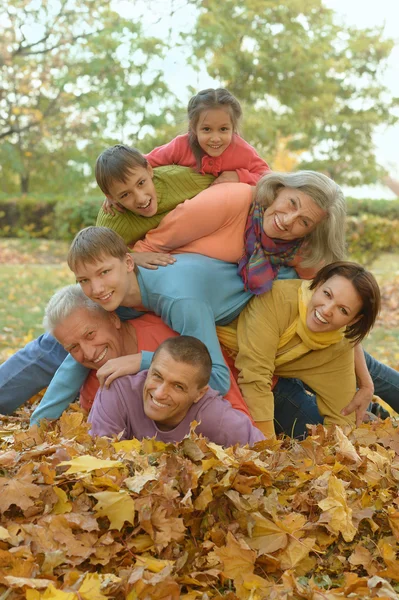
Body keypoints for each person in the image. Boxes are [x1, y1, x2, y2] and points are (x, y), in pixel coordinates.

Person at [30, 285, 251, 425]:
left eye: (90, 334)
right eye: (73, 348)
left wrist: (145, 362)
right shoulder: (92, 381)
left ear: (114, 319)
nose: (88, 353)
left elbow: (238, 412)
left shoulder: (172, 339)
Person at [232, 262, 382, 437]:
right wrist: (266, 447)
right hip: (225, 367)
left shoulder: (339, 343)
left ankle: (373, 416)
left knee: (321, 432)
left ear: (354, 320)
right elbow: (254, 378)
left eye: (342, 310)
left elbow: (342, 417)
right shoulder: (277, 299)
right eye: (327, 294)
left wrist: (340, 447)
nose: (327, 310)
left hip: (275, 377)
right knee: (304, 424)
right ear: (318, 284)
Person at [133, 170, 346, 292]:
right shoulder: (228, 201)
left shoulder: (300, 247)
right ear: (280, 188)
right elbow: (146, 248)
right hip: (171, 296)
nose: (289, 220)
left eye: (305, 222)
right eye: (292, 203)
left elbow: (328, 295)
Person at [88, 336, 264, 446]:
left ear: (199, 394)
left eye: (178, 386)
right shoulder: (117, 392)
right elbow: (98, 459)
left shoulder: (214, 415)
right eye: (157, 376)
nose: (159, 393)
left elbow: (264, 453)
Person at [95, 144, 215, 260]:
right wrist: (134, 257)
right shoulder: (112, 216)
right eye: (125, 195)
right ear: (111, 197)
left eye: (141, 183)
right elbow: (97, 254)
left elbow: (218, 177)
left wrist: (232, 174)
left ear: (149, 170)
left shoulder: (177, 178)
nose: (140, 199)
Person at [143, 88, 269, 185]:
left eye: (223, 129)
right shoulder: (180, 146)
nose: (215, 138)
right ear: (194, 127)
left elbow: (268, 177)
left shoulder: (242, 151)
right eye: (207, 129)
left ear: (233, 128)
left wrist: (239, 176)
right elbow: (141, 163)